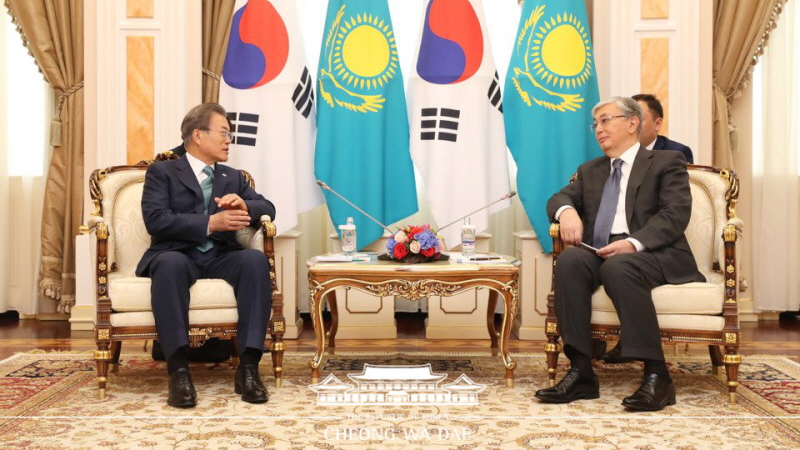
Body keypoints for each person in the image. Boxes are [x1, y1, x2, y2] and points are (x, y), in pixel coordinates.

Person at [535, 97, 704, 412]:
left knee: (619, 267)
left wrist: (634, 242)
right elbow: (558, 197)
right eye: (595, 123)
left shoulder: (667, 161)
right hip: (600, 249)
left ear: (632, 123)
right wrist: (567, 212)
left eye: (606, 120)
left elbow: (675, 215)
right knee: (570, 261)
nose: (598, 129)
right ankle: (581, 371)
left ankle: (657, 374)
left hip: (652, 251)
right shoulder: (590, 170)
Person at [136, 103, 276, 408]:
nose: (229, 140)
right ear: (198, 135)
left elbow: (268, 207)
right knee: (169, 265)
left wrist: (246, 205)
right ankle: (179, 372)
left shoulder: (232, 176)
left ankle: (249, 368)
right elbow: (156, 219)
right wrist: (210, 223)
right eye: (224, 133)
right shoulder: (162, 172)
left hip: (220, 255)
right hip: (177, 252)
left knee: (254, 260)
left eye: (230, 134)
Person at [632, 93, 693, 164]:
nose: (631, 125)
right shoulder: (618, 152)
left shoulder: (677, 153)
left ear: (657, 124)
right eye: (627, 119)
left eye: (638, 119)